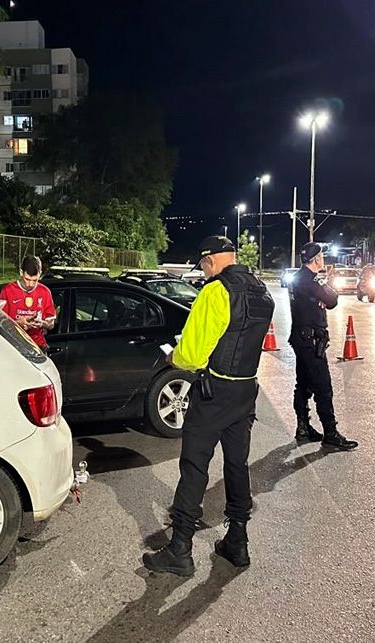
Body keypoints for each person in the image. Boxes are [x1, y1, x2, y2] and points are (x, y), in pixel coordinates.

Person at [142, 235, 274, 576]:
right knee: (237, 465)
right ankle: (238, 542)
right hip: (246, 390)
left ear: (211, 260)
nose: (202, 273)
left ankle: (181, 549)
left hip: (214, 392)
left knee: (194, 467)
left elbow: (193, 354)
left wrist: (176, 356)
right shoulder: (261, 291)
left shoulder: (216, 291)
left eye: (203, 266)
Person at [288, 242, 359, 450]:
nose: (323, 261)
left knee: (303, 384)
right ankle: (330, 433)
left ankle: (303, 428)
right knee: (323, 388)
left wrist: (319, 298)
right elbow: (333, 299)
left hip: (300, 339)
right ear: (317, 259)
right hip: (311, 342)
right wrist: (323, 293)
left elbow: (324, 300)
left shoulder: (297, 278)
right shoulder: (311, 280)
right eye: (321, 258)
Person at [0, 256, 56, 348]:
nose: (30, 284)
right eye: (27, 279)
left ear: (40, 274)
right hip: (13, 345)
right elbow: (0, 323)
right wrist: (18, 323)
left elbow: (51, 324)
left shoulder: (45, 292)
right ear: (21, 273)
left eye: (35, 280)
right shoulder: (7, 291)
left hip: (37, 345)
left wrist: (42, 323)